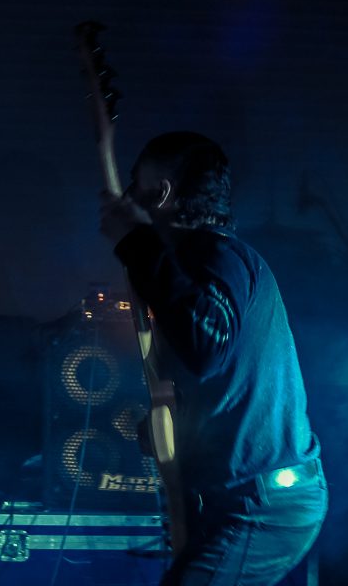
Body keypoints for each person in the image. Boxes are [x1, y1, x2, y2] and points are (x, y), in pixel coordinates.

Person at [99, 131, 328, 585]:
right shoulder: (195, 268)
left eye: (135, 185)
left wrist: (135, 241)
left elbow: (206, 347)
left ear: (162, 193)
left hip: (263, 506)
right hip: (241, 499)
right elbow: (212, 378)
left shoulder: (219, 256)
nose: (126, 199)